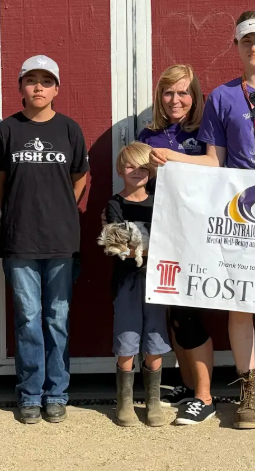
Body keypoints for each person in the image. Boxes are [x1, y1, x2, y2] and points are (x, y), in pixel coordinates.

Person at [150, 11, 255, 430]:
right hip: (240, 214)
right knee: (240, 301)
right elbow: (214, 162)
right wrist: (173, 157)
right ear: (237, 46)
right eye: (247, 41)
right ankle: (247, 388)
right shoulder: (223, 97)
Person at [0, 55, 89, 424]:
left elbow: (79, 179)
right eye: (31, 80)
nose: (38, 87)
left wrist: (59, 211)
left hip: (61, 241)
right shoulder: (6, 131)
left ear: (56, 89)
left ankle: (57, 393)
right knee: (28, 319)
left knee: (56, 319)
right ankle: (30, 393)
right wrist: (20, 212)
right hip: (20, 240)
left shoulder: (69, 129)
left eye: (46, 81)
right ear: (20, 86)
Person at [137, 64, 216, 425]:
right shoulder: (149, 134)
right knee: (174, 313)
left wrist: (172, 158)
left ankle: (205, 397)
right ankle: (187, 385)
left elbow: (216, 165)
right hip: (164, 233)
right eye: (168, 92)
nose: (175, 99)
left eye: (183, 92)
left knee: (189, 313)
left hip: (198, 235)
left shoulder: (206, 131)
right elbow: (140, 183)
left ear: (195, 96)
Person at [102, 142, 169, 427]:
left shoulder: (161, 202)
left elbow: (172, 240)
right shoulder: (114, 204)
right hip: (126, 282)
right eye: (130, 166)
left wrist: (136, 246)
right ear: (120, 170)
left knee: (155, 338)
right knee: (127, 339)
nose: (137, 172)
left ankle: (153, 401)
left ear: (151, 171)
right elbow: (116, 246)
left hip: (157, 282)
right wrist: (152, 246)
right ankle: (125, 402)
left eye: (143, 167)